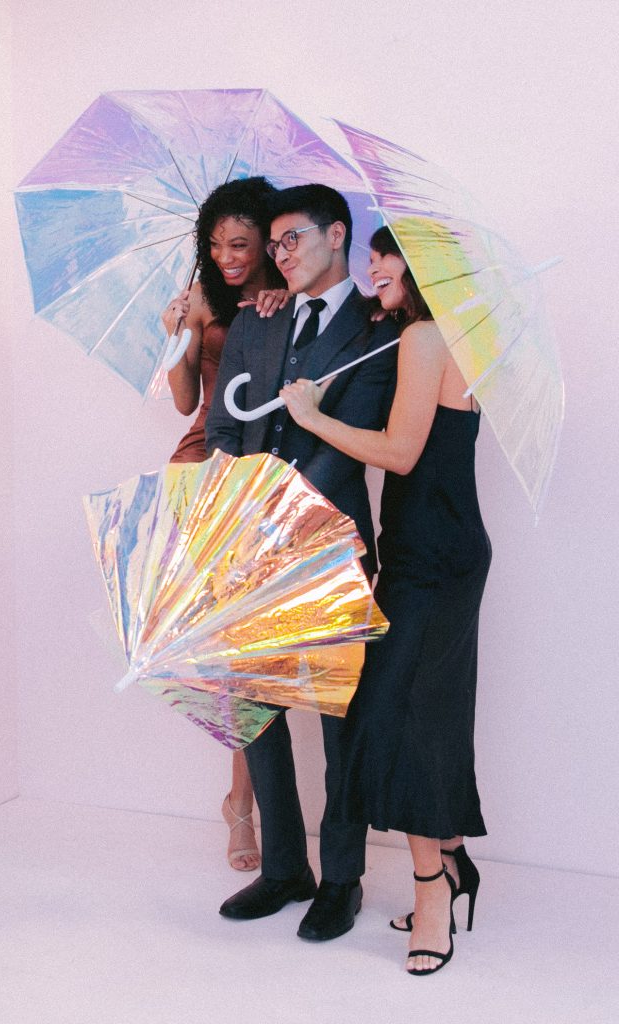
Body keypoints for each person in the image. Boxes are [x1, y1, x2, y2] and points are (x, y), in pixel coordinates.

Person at [280, 225, 490, 975]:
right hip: (431, 554)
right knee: (407, 716)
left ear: (422, 266)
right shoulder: (446, 334)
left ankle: (432, 888)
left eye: (384, 256)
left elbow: (400, 453)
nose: (372, 268)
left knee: (408, 723)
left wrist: (311, 417)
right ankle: (455, 861)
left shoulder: (425, 339)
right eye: (369, 256)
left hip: (434, 560)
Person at [206, 184, 397, 940]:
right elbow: (225, 421)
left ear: (337, 234)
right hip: (246, 550)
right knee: (255, 710)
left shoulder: (377, 327)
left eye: (292, 240)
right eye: (274, 243)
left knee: (338, 720)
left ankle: (342, 879)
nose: (279, 254)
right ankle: (285, 866)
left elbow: (348, 438)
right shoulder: (260, 317)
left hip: (327, 547)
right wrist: (234, 516)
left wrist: (273, 516)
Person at [161, 177, 288, 872]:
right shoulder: (206, 299)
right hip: (204, 474)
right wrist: (184, 332)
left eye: (240, 243)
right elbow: (186, 401)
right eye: (215, 244)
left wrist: (281, 308)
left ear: (268, 239)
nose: (227, 255)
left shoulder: (286, 298)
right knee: (237, 654)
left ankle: (247, 801)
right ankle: (242, 805)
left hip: (267, 480)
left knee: (262, 652)